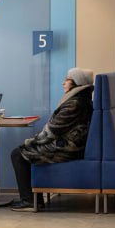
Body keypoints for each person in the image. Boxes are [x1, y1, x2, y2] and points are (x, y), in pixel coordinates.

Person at [8, 68, 95, 212]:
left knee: (18, 154)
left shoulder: (74, 104)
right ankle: (35, 200)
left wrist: (30, 142)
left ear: (77, 83)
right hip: (73, 145)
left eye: (67, 80)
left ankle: (29, 201)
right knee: (23, 151)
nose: (63, 83)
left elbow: (51, 131)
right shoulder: (82, 100)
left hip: (66, 148)